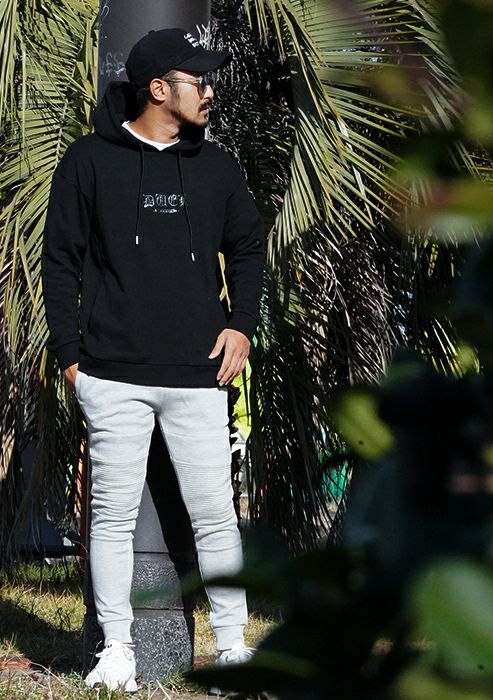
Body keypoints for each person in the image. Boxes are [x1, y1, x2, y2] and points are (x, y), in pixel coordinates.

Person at [41, 27, 265, 692]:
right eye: (200, 80)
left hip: (199, 372)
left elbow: (248, 248)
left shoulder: (216, 167)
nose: (211, 91)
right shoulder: (89, 161)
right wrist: (72, 356)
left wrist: (242, 326)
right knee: (111, 517)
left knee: (215, 514)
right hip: (111, 374)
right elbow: (60, 260)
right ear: (159, 89)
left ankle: (233, 650)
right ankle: (118, 651)